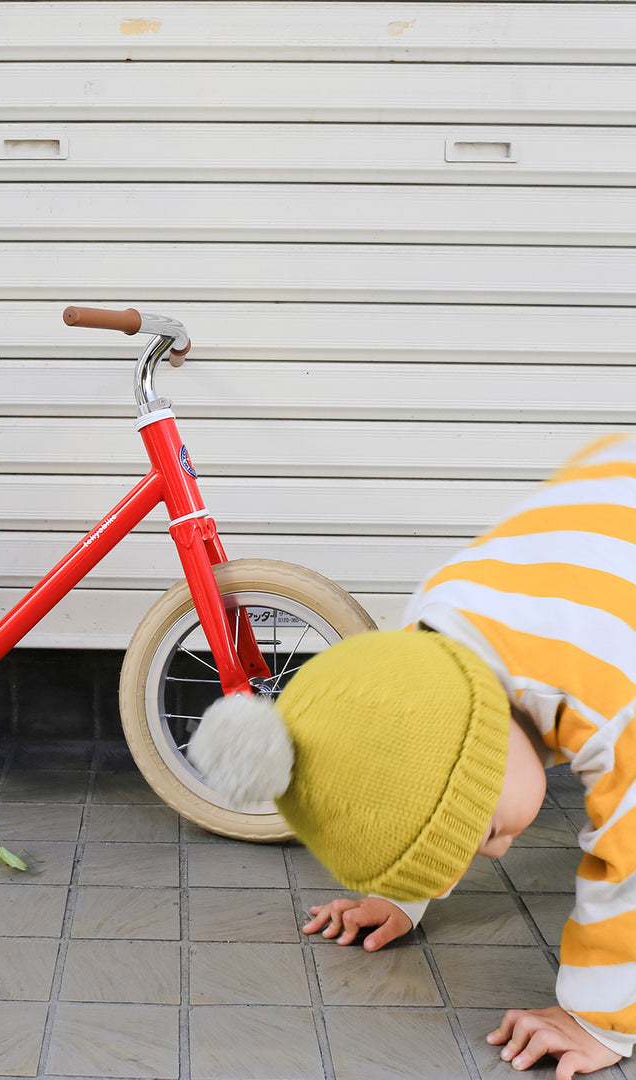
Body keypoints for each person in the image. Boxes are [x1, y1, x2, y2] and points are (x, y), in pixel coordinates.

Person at [187, 433, 636, 1080]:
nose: (501, 852)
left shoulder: (610, 700)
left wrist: (595, 1018)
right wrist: (401, 888)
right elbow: (397, 761)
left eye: (482, 831)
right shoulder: (431, 641)